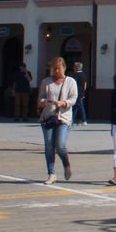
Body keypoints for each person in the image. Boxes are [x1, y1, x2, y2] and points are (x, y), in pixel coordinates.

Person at [37, 57, 78, 185]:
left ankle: (66, 164)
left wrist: (63, 102)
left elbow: (74, 98)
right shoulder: (46, 82)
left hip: (64, 118)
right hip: (48, 117)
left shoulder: (70, 81)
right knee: (49, 146)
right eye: (53, 68)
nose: (56, 71)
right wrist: (42, 102)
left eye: (58, 68)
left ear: (64, 68)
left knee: (60, 145)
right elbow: (40, 98)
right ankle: (51, 173)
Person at [71, 61, 88, 126]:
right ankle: (71, 120)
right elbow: (85, 85)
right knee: (75, 107)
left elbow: (73, 85)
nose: (73, 68)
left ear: (77, 67)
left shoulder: (75, 75)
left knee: (80, 107)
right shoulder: (83, 74)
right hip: (81, 93)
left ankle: (84, 120)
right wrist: (83, 92)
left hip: (77, 93)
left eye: (74, 67)